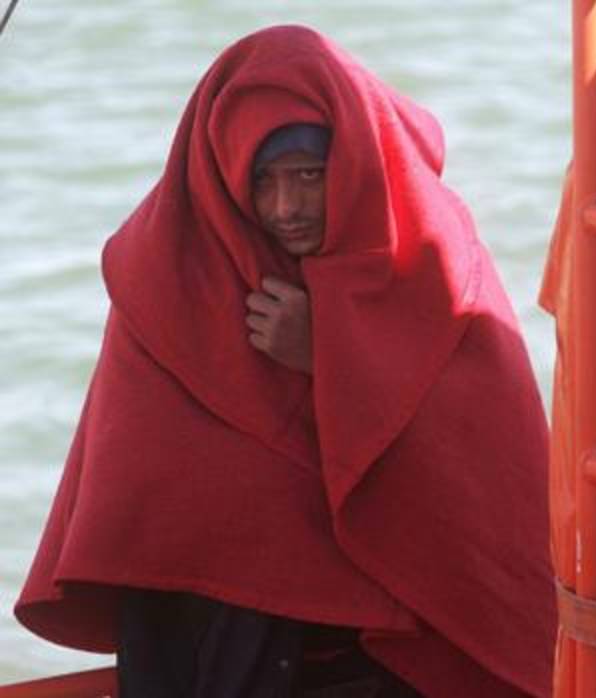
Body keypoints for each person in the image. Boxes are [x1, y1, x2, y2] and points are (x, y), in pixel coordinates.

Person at [15, 25, 555, 698]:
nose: (285, 208)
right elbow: (146, 505)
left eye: (310, 175)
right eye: (262, 181)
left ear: (354, 161)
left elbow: (482, 486)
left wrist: (332, 357)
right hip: (228, 643)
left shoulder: (427, 256)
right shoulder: (172, 272)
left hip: (391, 642)